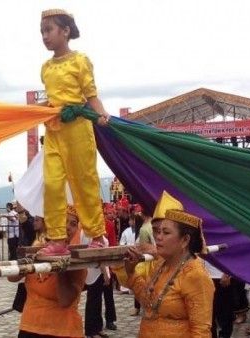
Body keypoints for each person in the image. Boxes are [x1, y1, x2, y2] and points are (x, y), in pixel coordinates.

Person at [37, 8, 111, 258]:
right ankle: (57, 238)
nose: (45, 36)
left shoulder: (80, 60)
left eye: (49, 30)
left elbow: (90, 95)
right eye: (42, 32)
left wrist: (101, 114)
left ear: (65, 31)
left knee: (84, 182)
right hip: (54, 130)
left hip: (78, 128)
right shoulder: (46, 67)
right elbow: (51, 102)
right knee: (52, 184)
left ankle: (98, 235)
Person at [125, 191, 214, 338]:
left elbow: (201, 331)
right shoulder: (161, 264)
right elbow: (149, 304)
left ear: (185, 240)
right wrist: (131, 272)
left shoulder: (196, 275)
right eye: (157, 231)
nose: (158, 237)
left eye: (166, 233)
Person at [10, 205, 87, 337]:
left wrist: (59, 267)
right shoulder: (39, 249)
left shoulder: (77, 260)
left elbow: (65, 301)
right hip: (29, 326)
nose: (67, 227)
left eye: (73, 224)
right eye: (63, 221)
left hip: (63, 330)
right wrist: (29, 261)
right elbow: (11, 277)